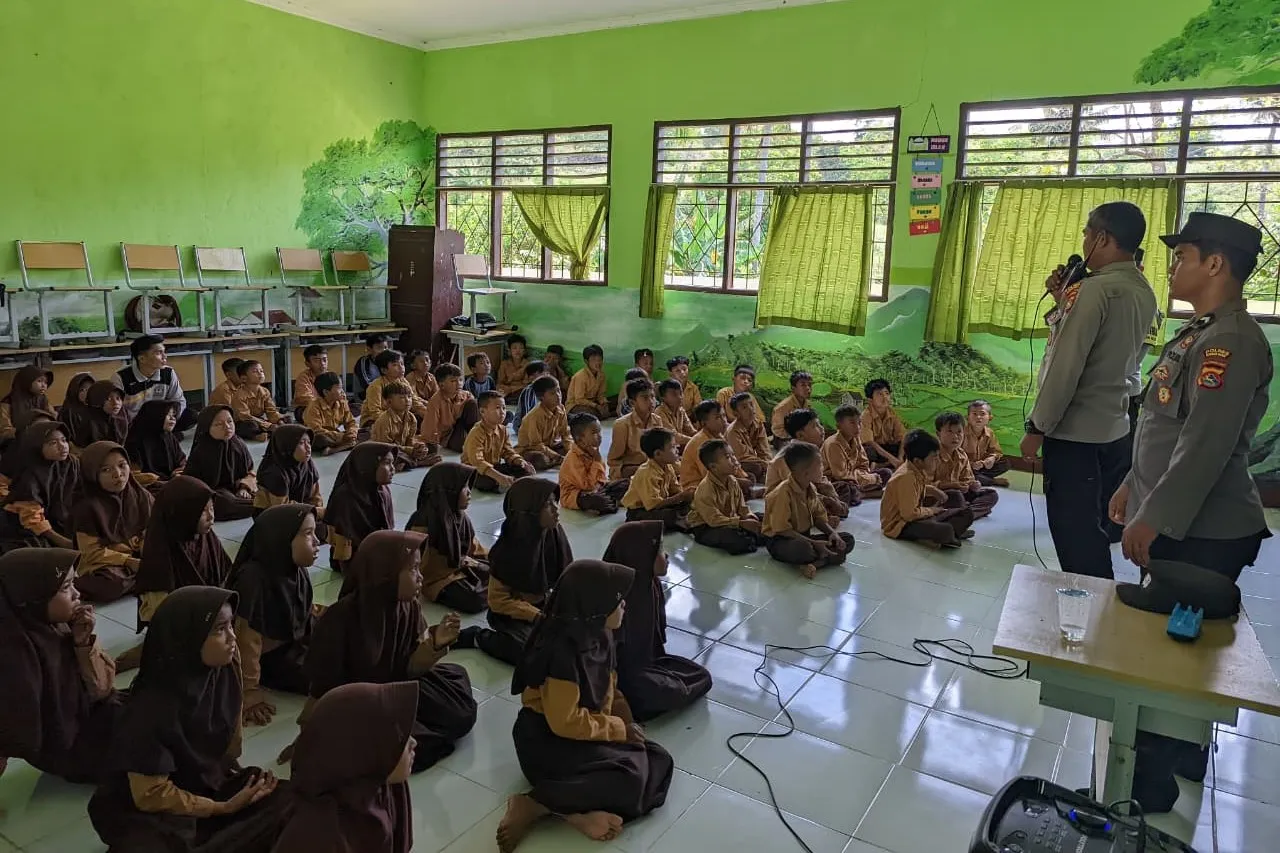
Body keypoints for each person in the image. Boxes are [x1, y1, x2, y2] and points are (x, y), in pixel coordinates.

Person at [1108, 212, 1273, 812]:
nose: (1173, 266)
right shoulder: (1200, 333)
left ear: (1215, 264)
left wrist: (1155, 519)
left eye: (1182, 256)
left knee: (1170, 657)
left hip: (1202, 530)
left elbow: (1203, 447)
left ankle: (1146, 791)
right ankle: (1176, 760)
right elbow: (1163, 428)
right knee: (1180, 648)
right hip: (1180, 517)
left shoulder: (1228, 341)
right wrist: (1133, 484)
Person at [87, 587, 288, 853]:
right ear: (186, 639)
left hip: (206, 781)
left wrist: (229, 781)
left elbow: (222, 747)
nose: (232, 638)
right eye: (219, 629)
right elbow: (150, 795)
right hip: (148, 807)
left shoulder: (222, 668)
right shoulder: (150, 708)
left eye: (230, 626)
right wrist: (222, 808)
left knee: (288, 800)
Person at [1021, 201, 1158, 579]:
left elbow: (1066, 367)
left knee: (1074, 528)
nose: (1083, 240)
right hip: (1114, 424)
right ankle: (1099, 601)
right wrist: (1061, 299)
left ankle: (1091, 606)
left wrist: (1037, 427)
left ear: (1101, 237)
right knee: (1095, 519)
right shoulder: (1142, 290)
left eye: (1086, 232)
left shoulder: (1093, 291)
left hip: (1075, 430)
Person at [499, 559, 674, 852]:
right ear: (594, 605)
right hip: (546, 742)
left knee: (657, 757)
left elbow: (610, 688)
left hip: (580, 734)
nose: (623, 607)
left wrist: (626, 725)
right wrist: (618, 730)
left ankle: (572, 814)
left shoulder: (597, 634)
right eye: (617, 601)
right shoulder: (562, 655)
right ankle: (535, 803)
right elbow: (565, 722)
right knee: (629, 780)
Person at [302, 533, 476, 773]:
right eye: (413, 569)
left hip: (398, 685)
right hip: (362, 702)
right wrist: (308, 733)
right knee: (396, 748)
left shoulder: (408, 606)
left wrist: (435, 644)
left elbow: (410, 667)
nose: (420, 577)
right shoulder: (341, 619)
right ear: (385, 574)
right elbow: (321, 687)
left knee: (460, 712)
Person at [0, 548, 123, 783]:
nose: (77, 594)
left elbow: (103, 690)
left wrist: (83, 643)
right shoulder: (14, 657)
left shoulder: (57, 626)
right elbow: (10, 734)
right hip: (73, 749)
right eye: (66, 588)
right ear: (35, 597)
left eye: (73, 584)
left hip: (92, 717)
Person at [273, 682, 418, 853]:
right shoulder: (316, 835)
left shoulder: (388, 786)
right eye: (400, 738)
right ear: (365, 752)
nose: (414, 743)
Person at [603, 521, 713, 720]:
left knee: (701, 676)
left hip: (647, 663)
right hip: (617, 675)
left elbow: (654, 644)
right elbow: (604, 661)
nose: (667, 555)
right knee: (657, 691)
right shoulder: (616, 598)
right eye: (660, 549)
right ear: (641, 555)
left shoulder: (650, 585)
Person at [455, 479, 572, 665]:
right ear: (530, 511)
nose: (557, 509)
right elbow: (499, 601)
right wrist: (537, 616)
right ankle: (479, 637)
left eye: (555, 502)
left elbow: (564, 579)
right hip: (513, 614)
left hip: (544, 606)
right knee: (527, 651)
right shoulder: (510, 547)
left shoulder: (554, 535)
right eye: (548, 505)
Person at [229, 504, 321, 727]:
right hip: (269, 657)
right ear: (281, 539)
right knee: (324, 678)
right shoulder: (253, 581)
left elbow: (304, 612)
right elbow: (245, 642)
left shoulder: (294, 568)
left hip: (293, 640)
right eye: (308, 534)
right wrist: (249, 691)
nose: (317, 541)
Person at [134, 476, 232, 630]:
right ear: (183, 514)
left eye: (211, 508)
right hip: (179, 623)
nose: (211, 517)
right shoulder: (159, 552)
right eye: (202, 512)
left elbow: (225, 577)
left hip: (210, 612)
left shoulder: (207, 537)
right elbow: (161, 613)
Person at [71, 441, 153, 603]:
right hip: (106, 562)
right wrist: (128, 561)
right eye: (106, 470)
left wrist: (146, 548)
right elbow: (91, 552)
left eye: (122, 465)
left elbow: (152, 529)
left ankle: (142, 576)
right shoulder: (87, 508)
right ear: (92, 474)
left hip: (136, 555)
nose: (118, 474)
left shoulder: (139, 494)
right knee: (110, 585)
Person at [406, 463, 490, 613]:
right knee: (473, 599)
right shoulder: (424, 521)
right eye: (464, 488)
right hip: (438, 579)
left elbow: (473, 547)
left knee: (498, 571)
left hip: (461, 566)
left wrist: (493, 561)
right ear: (448, 490)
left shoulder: (460, 516)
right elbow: (418, 564)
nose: (470, 493)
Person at [762, 442, 854, 578]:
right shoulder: (782, 493)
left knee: (847, 540)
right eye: (820, 465)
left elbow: (818, 517)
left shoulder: (810, 488)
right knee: (803, 549)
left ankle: (812, 564)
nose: (823, 468)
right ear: (806, 473)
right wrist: (815, 543)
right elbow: (782, 530)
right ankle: (822, 559)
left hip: (804, 535)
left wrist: (832, 533)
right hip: (780, 540)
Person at [881, 430, 975, 550]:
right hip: (900, 524)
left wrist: (935, 491)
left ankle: (949, 531)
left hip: (915, 512)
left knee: (955, 496)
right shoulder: (906, 477)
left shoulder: (916, 468)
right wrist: (932, 510)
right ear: (918, 461)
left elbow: (919, 489)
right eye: (934, 458)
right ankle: (949, 532)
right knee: (945, 530)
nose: (938, 461)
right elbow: (909, 515)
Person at [0, 421, 79, 553]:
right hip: (22, 528)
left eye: (64, 440)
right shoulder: (30, 475)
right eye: (53, 443)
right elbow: (33, 521)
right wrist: (65, 543)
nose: (62, 446)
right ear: (37, 447)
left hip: (52, 522)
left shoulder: (69, 464)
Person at [325, 442, 396, 573]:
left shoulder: (383, 491)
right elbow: (343, 543)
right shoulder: (346, 496)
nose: (393, 468)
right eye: (386, 463)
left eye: (392, 463)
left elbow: (388, 528)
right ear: (367, 465)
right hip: (352, 556)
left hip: (376, 549)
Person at [768, 410, 850, 518]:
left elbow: (820, 479)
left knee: (841, 487)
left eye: (819, 424)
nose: (821, 428)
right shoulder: (787, 458)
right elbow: (795, 489)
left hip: (809, 490)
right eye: (814, 426)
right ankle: (820, 515)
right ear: (800, 435)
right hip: (786, 499)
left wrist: (833, 497)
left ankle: (826, 510)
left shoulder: (812, 451)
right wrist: (827, 500)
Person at [688, 440, 763, 555]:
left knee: (762, 517)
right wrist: (741, 523)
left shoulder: (732, 480)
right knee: (734, 539)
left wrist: (749, 516)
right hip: (707, 526)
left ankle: (754, 535)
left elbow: (742, 507)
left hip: (730, 519)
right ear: (713, 467)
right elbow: (714, 520)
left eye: (733, 455)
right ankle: (755, 537)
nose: (734, 459)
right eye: (728, 457)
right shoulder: (705, 489)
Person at [184, 405, 257, 521]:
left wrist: (244, 487)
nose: (227, 427)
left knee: (265, 490)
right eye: (219, 424)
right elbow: (196, 484)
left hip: (237, 487)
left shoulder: (238, 443)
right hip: (214, 492)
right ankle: (257, 506)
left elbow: (250, 471)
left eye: (230, 421)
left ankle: (255, 504)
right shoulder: (202, 449)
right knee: (223, 502)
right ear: (207, 427)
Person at [113, 334, 198, 432]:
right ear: (142, 359)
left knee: (191, 416)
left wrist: (170, 418)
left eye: (164, 352)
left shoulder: (168, 373)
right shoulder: (120, 377)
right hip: (134, 424)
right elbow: (116, 410)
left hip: (161, 420)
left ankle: (166, 434)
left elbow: (179, 401)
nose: (164, 356)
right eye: (159, 353)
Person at [619, 428, 692, 531]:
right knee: (667, 516)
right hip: (640, 511)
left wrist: (686, 495)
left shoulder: (668, 466)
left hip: (660, 504)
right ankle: (680, 522)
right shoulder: (647, 473)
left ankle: (680, 520)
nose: (677, 449)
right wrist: (680, 497)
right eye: (672, 447)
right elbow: (653, 505)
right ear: (658, 454)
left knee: (689, 504)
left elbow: (675, 489)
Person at [680, 399, 755, 497]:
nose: (724, 420)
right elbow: (710, 475)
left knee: (750, 476)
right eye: (717, 417)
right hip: (697, 486)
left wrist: (743, 476)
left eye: (723, 415)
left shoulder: (719, 437)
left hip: (716, 480)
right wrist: (740, 482)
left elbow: (733, 461)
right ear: (703, 423)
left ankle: (745, 493)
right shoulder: (701, 442)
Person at [463, 390, 534, 492]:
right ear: (482, 412)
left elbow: (508, 452)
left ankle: (507, 483)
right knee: (483, 480)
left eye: (504, 408)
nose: (502, 412)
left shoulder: (503, 430)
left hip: (495, 466)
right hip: (476, 470)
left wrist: (519, 461)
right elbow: (477, 462)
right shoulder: (476, 433)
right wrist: (499, 477)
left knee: (525, 468)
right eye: (497, 408)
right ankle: (508, 483)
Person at [560, 412, 629, 515]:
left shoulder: (592, 451)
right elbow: (587, 486)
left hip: (596, 489)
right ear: (580, 440)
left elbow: (601, 478)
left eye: (600, 432)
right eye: (594, 433)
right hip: (576, 494)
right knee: (596, 501)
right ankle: (611, 502)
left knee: (626, 483)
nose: (600, 436)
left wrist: (604, 486)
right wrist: (597, 461)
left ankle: (611, 501)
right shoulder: (572, 458)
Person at [933, 412, 999, 518]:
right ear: (938, 434)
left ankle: (964, 515)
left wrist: (973, 484)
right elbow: (923, 486)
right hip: (938, 496)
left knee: (991, 494)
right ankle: (965, 514)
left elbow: (967, 479)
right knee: (955, 495)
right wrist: (952, 485)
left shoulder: (961, 455)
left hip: (959, 493)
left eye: (959, 432)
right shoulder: (932, 455)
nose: (955, 437)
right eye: (949, 432)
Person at [823, 404, 891, 500]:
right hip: (836, 480)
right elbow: (841, 475)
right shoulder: (833, 444)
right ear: (839, 426)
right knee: (846, 488)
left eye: (859, 423)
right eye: (852, 423)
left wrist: (867, 476)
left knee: (886, 473)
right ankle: (865, 494)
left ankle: (861, 492)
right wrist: (870, 479)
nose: (858, 427)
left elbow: (864, 464)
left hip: (856, 478)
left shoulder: (856, 439)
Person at [253, 425, 324, 512]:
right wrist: (314, 512)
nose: (308, 447)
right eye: (301, 443)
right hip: (275, 517)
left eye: (309, 442)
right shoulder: (274, 472)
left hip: (302, 511)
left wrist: (317, 509)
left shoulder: (307, 463)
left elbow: (315, 495)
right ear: (287, 446)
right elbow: (283, 509)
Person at [371, 384, 440, 469]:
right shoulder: (384, 420)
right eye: (402, 398)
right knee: (389, 456)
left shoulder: (411, 418)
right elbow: (385, 446)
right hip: (385, 450)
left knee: (433, 447)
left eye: (409, 397)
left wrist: (417, 446)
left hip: (402, 449)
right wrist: (410, 450)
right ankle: (418, 463)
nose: (408, 400)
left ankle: (409, 462)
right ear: (389, 402)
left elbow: (409, 440)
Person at [360, 349, 429, 430]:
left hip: (398, 416)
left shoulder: (403, 381)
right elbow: (375, 412)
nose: (401, 367)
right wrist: (395, 420)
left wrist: (427, 413)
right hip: (374, 420)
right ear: (384, 370)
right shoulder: (376, 386)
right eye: (395, 365)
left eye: (402, 364)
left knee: (420, 419)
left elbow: (414, 401)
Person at [125, 400, 187, 488]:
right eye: (168, 415)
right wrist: (160, 481)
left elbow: (182, 460)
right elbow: (134, 476)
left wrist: (178, 472)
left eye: (173, 415)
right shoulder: (135, 441)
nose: (173, 418)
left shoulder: (169, 437)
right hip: (149, 488)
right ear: (154, 416)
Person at [419, 363, 479, 453]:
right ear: (442, 385)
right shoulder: (435, 401)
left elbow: (475, 417)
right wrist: (429, 444)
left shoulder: (466, 395)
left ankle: (477, 438)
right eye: (453, 381)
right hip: (448, 436)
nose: (459, 383)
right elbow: (429, 426)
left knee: (473, 403)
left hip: (466, 428)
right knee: (460, 444)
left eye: (461, 380)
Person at [516, 375, 571, 470]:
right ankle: (554, 460)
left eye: (558, 390)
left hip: (551, 446)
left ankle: (555, 460)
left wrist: (570, 451)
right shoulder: (534, 416)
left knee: (578, 447)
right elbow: (536, 445)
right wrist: (556, 456)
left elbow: (566, 434)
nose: (558, 395)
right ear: (542, 398)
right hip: (531, 449)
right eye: (552, 393)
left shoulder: (561, 408)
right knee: (540, 460)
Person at [609, 378, 659, 479]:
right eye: (645, 398)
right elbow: (613, 460)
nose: (651, 401)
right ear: (632, 403)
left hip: (651, 466)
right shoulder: (622, 425)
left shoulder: (657, 420)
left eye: (652, 397)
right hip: (629, 469)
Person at [302, 372, 358, 455]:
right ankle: (348, 444)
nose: (342, 391)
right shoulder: (313, 407)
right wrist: (341, 437)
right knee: (320, 439)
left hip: (337, 436)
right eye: (339, 388)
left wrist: (352, 432)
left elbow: (351, 422)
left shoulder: (341, 402)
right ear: (326, 392)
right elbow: (315, 430)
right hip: (324, 437)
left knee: (368, 432)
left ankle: (335, 449)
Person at [231, 360, 285, 441]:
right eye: (255, 371)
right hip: (244, 422)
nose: (260, 373)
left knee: (286, 419)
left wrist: (280, 422)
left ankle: (268, 432)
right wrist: (268, 425)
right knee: (249, 426)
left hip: (259, 420)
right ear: (244, 378)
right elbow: (245, 416)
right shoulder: (239, 395)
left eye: (261, 371)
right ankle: (256, 436)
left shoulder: (265, 391)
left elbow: (271, 411)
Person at [0, 365, 53, 447]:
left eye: (46, 382)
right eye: (39, 381)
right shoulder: (8, 402)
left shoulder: (43, 399)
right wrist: (25, 432)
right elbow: (4, 431)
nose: (44, 385)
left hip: (42, 439)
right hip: (17, 442)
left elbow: (52, 417)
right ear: (26, 381)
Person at [725, 392, 772, 482]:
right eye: (744, 407)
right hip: (737, 462)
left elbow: (764, 450)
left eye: (751, 404)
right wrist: (764, 464)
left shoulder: (758, 425)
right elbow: (742, 456)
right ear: (736, 414)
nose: (751, 409)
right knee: (756, 468)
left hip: (754, 461)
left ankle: (760, 476)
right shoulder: (733, 431)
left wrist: (768, 463)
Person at [71, 380, 130, 449]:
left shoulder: (122, 417)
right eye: (109, 398)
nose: (116, 403)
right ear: (97, 400)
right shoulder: (88, 423)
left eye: (118, 398)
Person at [964, 400, 1010, 487]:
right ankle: (992, 481)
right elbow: (955, 456)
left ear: (990, 418)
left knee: (1005, 463)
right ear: (968, 418)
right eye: (974, 414)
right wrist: (971, 464)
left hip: (980, 466)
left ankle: (980, 478)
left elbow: (997, 452)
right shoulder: (962, 433)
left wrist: (991, 459)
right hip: (965, 466)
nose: (978, 417)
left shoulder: (989, 433)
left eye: (982, 414)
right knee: (963, 472)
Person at [861, 378, 905, 467]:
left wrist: (899, 458)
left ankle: (881, 465)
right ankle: (886, 465)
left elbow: (902, 437)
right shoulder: (866, 415)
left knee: (910, 447)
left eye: (887, 393)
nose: (885, 397)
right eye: (880, 394)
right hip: (875, 450)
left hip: (887, 448)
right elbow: (870, 442)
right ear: (870, 400)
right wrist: (893, 459)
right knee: (868, 451)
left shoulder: (892, 413)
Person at [769, 370, 812, 447]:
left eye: (809, 384)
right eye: (803, 385)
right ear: (793, 388)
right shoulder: (782, 407)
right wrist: (796, 436)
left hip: (801, 438)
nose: (808, 388)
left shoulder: (808, 404)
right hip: (783, 440)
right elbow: (777, 430)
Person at [566, 344, 610, 417]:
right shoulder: (580, 376)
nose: (598, 363)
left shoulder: (601, 375)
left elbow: (601, 395)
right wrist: (596, 406)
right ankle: (605, 414)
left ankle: (605, 413)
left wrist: (604, 403)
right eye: (594, 360)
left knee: (615, 401)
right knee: (590, 413)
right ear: (586, 361)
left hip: (592, 403)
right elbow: (579, 400)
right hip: (576, 405)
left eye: (600, 359)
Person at [652, 378, 696, 449]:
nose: (680, 397)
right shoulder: (659, 412)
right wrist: (696, 441)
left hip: (676, 450)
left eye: (681, 393)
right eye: (674, 394)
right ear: (663, 398)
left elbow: (691, 431)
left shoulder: (681, 410)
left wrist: (702, 438)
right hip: (665, 451)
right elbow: (673, 436)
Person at [57, 372, 96, 445]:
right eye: (82, 390)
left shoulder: (95, 408)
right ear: (74, 390)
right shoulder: (69, 411)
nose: (86, 393)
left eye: (89, 389)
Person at [290, 345, 328, 421]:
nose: (322, 363)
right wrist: (325, 404)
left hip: (328, 408)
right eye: (316, 361)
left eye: (324, 360)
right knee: (310, 412)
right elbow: (305, 398)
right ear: (307, 363)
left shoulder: (331, 376)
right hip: (308, 408)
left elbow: (341, 396)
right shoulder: (303, 377)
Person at [352, 333, 390, 403]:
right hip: (364, 398)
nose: (383, 351)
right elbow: (367, 385)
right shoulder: (363, 362)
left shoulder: (389, 362)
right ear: (369, 349)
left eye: (385, 348)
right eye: (379, 348)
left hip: (384, 396)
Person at [499, 334, 531, 400]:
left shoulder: (528, 364)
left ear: (524, 351)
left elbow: (526, 385)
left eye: (521, 348)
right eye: (514, 348)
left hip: (521, 393)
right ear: (509, 350)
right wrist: (504, 389)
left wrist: (511, 389)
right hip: (505, 392)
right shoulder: (504, 364)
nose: (518, 351)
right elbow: (500, 382)